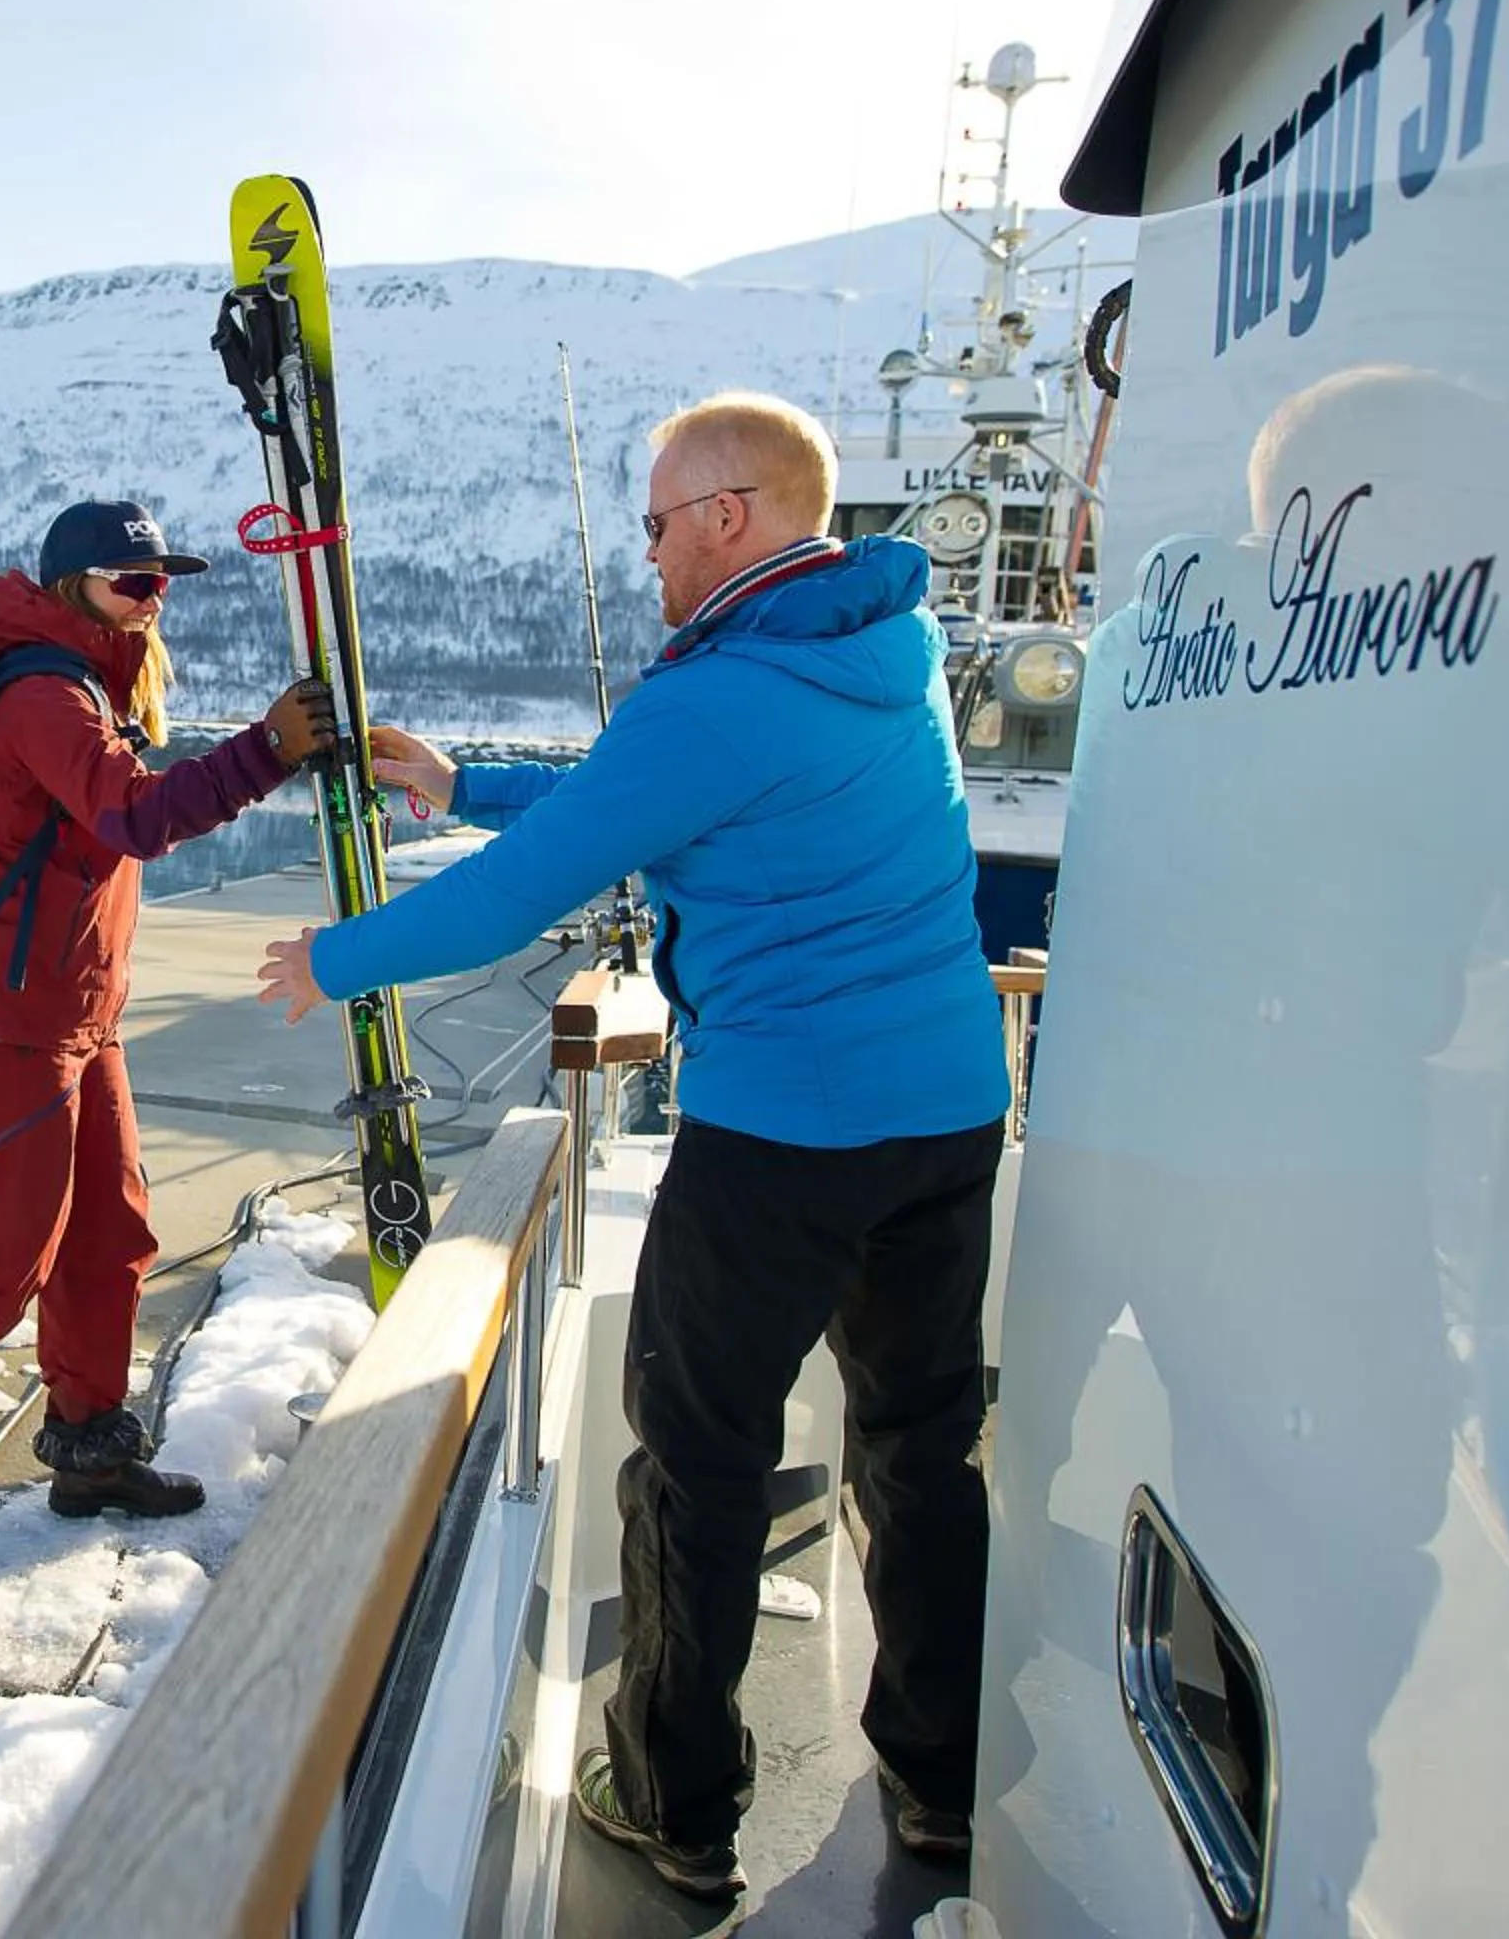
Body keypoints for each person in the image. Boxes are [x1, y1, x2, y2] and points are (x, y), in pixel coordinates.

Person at [255, 393, 1007, 1898]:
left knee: (698, 1462)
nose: (649, 551)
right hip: (947, 1113)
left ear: (730, 515)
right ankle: (941, 1783)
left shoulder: (718, 696)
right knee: (922, 1446)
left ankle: (674, 1800)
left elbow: (521, 890)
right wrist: (464, 785)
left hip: (783, 1136)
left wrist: (331, 959)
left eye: (660, 523)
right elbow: (647, 801)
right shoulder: (887, 647)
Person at [0, 499, 336, 1558]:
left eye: (161, 583)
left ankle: (90, 1453)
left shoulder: (87, 685)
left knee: (109, 1238)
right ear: (72, 587)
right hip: (12, 1025)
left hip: (80, 1015)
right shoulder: (44, 694)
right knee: (2, 1265)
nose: (152, 600)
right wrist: (268, 749)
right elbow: (137, 814)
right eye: (132, 581)